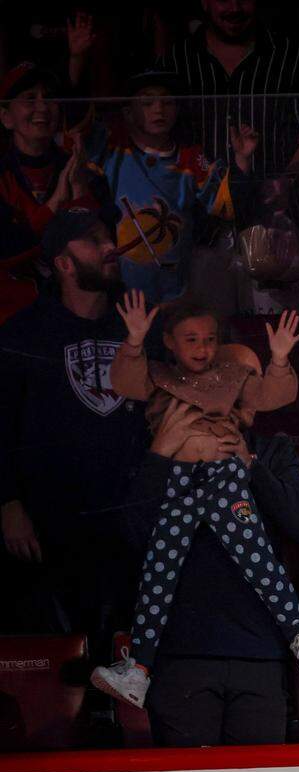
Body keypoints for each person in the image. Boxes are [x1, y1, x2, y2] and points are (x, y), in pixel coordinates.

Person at [90, 297, 299, 709]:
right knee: (158, 572)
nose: (202, 348)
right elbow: (125, 381)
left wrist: (278, 360)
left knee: (259, 559)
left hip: (223, 476)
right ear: (168, 341)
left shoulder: (231, 378)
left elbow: (271, 394)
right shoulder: (158, 375)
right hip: (180, 483)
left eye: (209, 339)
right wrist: (133, 341)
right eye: (191, 339)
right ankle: (139, 670)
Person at [121, 400, 299, 746]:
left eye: (249, 386)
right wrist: (160, 455)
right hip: (181, 654)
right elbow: (128, 535)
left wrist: (251, 466)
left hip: (258, 653)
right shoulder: (157, 446)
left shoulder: (270, 449)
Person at [0, 209, 147, 651]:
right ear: (63, 263)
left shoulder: (142, 324)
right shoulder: (23, 334)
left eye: (108, 237)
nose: (110, 247)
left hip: (129, 515)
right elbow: (2, 424)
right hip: (53, 523)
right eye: (92, 241)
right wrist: (7, 504)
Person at [80, 70, 259, 303]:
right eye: (147, 102)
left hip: (175, 292)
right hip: (119, 292)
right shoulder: (113, 150)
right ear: (128, 112)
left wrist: (242, 159)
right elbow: (78, 129)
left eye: (167, 101)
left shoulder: (190, 158)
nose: (158, 109)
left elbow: (224, 206)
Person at [155, 0, 299, 177]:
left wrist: (288, 182)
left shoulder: (290, 57)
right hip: (195, 198)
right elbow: (152, 135)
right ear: (205, 3)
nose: (235, 8)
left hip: (269, 199)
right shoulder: (175, 61)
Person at [0, 63, 110, 323]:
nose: (42, 107)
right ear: (5, 117)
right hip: (9, 317)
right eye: (30, 99)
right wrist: (56, 203)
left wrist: (80, 190)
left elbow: (102, 243)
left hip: (74, 316)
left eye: (49, 98)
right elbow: (6, 250)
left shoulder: (86, 172)